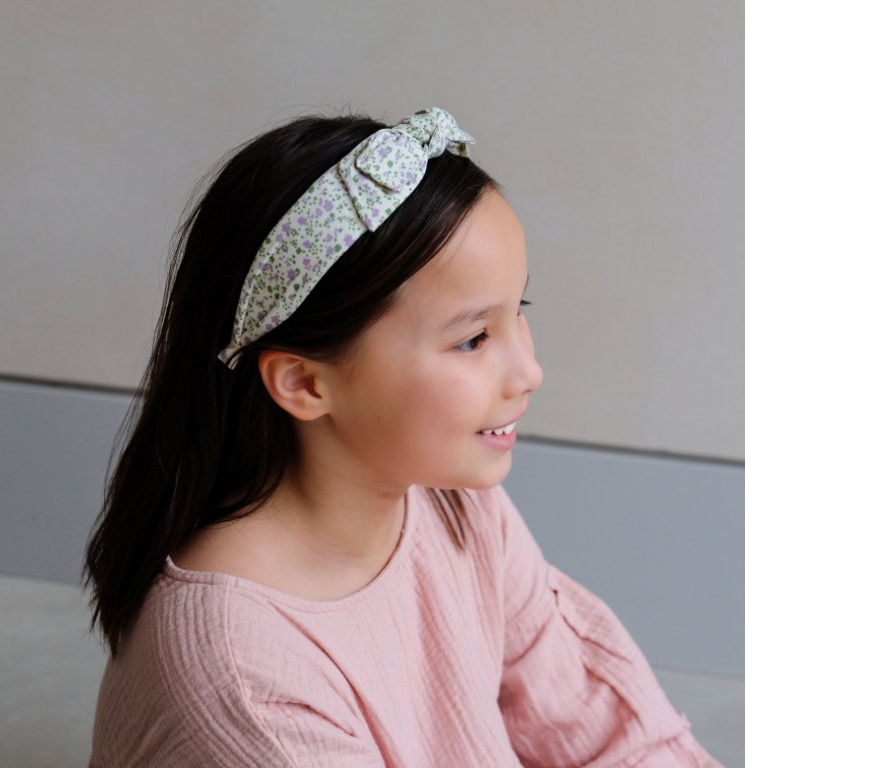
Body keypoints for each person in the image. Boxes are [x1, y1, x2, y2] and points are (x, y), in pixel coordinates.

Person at [83, 107, 721, 767]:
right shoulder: (247, 681)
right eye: (473, 339)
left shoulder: (454, 504)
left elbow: (607, 733)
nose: (529, 372)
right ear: (303, 382)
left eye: (519, 312)